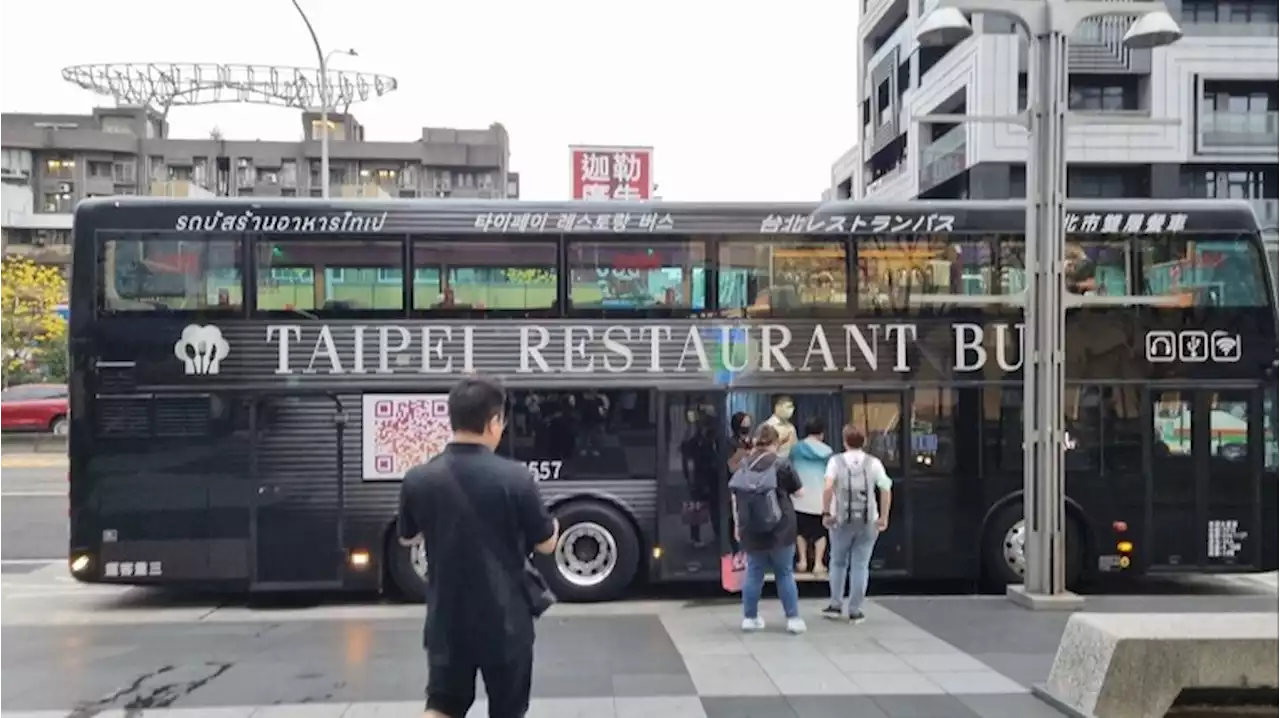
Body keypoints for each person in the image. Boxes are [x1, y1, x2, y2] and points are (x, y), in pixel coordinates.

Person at [397, 376, 560, 718]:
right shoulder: (517, 477)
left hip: (447, 617)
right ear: (494, 422)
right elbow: (546, 544)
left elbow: (408, 537)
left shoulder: (418, 478)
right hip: (506, 619)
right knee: (508, 710)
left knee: (442, 704)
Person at [729, 423, 807, 635]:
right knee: (784, 573)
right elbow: (800, 493)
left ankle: (750, 618)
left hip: (751, 529)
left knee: (754, 574)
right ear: (775, 442)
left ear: (755, 441)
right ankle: (793, 619)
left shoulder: (744, 465)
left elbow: (735, 497)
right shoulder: (782, 465)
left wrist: (738, 526)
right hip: (782, 528)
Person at [821, 426, 892, 624]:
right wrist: (884, 517)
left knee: (837, 562)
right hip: (868, 521)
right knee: (860, 565)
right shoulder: (874, 463)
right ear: (865, 441)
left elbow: (827, 489)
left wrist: (826, 512)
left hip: (840, 520)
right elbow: (886, 489)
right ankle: (855, 610)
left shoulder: (835, 462)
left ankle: (835, 605)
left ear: (844, 441)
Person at [790, 418, 834, 575]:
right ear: (821, 434)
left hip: (800, 497)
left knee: (801, 531)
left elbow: (791, 469)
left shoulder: (796, 449)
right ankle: (818, 563)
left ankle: (802, 561)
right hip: (819, 499)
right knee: (820, 532)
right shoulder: (828, 452)